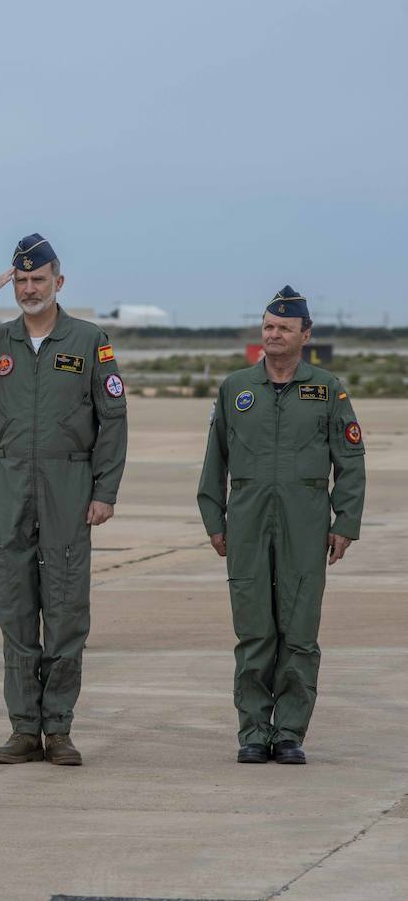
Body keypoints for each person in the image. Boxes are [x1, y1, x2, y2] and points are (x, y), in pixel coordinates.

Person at [0, 235, 127, 766]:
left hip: (68, 485)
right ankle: (24, 727)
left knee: (67, 608)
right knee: (13, 606)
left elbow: (113, 421)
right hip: (9, 484)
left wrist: (105, 491)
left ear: (58, 282)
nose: (29, 288)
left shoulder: (89, 340)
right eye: (21, 280)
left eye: (38, 279)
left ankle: (61, 728)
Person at [197, 287, 365, 765]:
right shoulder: (235, 388)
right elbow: (216, 461)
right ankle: (253, 732)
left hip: (306, 523)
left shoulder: (327, 390)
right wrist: (215, 517)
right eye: (268, 327)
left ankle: (289, 732)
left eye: (283, 328)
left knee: (299, 632)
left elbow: (350, 463)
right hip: (248, 523)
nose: (273, 335)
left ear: (304, 335)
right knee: (254, 631)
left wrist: (345, 523)